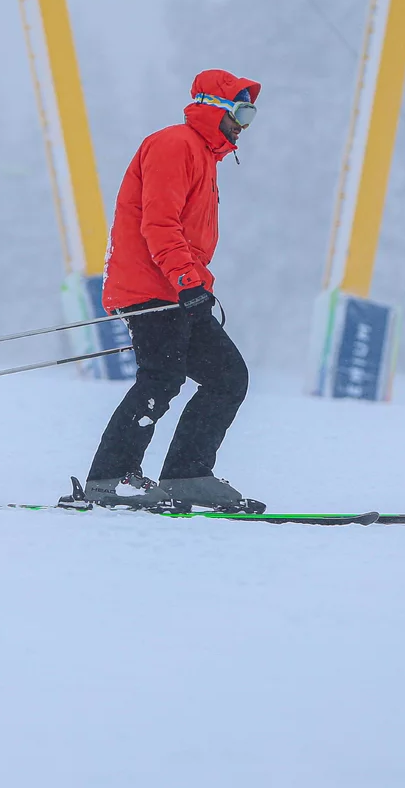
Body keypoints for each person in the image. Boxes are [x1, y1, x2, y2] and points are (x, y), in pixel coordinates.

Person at [82, 69, 260, 509]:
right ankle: (110, 480)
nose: (245, 123)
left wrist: (195, 283)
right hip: (151, 287)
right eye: (241, 111)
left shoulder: (202, 154)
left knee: (227, 377)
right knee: (161, 377)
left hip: (178, 287)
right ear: (215, 109)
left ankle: (188, 475)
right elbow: (159, 224)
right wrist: (186, 281)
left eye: (250, 113)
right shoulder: (174, 145)